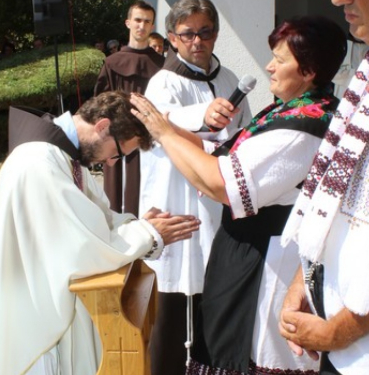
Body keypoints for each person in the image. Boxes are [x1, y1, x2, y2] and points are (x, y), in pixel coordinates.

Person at [132, 14, 347, 375]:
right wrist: (165, 125)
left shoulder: (303, 126)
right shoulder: (287, 109)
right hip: (245, 249)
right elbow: (220, 150)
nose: (269, 67)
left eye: (280, 60)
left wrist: (164, 132)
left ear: (309, 70)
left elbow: (221, 183)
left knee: (252, 353)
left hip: (266, 261)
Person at [0, 91, 201, 375]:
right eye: (117, 153)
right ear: (102, 126)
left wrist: (139, 226)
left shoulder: (63, 156)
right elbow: (80, 247)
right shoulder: (38, 161)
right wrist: (147, 234)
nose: (113, 163)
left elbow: (97, 220)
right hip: (27, 311)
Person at [278, 1, 369, 374]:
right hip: (339, 336)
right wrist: (304, 279)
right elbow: (333, 198)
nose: (338, 0)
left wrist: (341, 331)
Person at [139, 1, 251, 373]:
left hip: (218, 199)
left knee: (213, 296)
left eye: (205, 32)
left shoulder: (230, 79)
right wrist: (201, 118)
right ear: (172, 38)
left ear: (216, 34)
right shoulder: (164, 81)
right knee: (174, 303)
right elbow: (159, 123)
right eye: (188, 34)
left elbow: (245, 133)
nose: (197, 41)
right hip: (179, 199)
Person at [94, 0, 165, 217]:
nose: (142, 26)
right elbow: (100, 102)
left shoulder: (162, 64)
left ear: (152, 26)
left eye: (147, 21)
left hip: (152, 140)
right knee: (115, 196)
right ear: (128, 23)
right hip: (117, 137)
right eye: (137, 20)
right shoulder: (112, 62)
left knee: (151, 190)